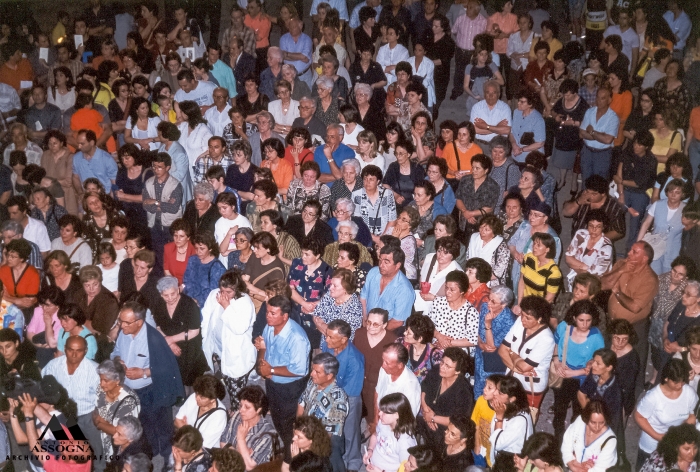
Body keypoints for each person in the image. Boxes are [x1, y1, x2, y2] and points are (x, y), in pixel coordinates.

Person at [112, 301, 185, 460]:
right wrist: (118, 360)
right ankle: (150, 452)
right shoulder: (123, 334)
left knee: (163, 426)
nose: (121, 325)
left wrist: (143, 372)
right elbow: (115, 351)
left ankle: (169, 458)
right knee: (143, 424)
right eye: (120, 321)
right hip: (131, 391)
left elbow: (167, 368)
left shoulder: (154, 339)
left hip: (152, 390)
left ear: (139, 322)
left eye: (126, 322)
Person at [254, 295, 311, 463]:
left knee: (289, 428)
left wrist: (270, 369)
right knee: (277, 421)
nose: (268, 316)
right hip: (273, 384)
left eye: (273, 313)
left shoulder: (297, 338)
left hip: (290, 389)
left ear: (284, 316)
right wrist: (263, 365)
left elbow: (299, 370)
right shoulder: (269, 327)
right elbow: (264, 347)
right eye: (267, 312)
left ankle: (292, 460)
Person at [41, 335, 104, 470]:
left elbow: (102, 398)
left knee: (94, 449)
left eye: (79, 350)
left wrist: (97, 418)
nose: (74, 354)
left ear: (86, 351)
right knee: (65, 450)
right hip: (63, 417)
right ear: (64, 349)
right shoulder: (53, 366)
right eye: (70, 349)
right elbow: (44, 387)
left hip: (87, 416)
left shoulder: (94, 371)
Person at [551, 300, 605, 439]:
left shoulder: (596, 337)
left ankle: (573, 438)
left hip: (582, 378)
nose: (585, 324)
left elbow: (597, 363)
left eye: (588, 320)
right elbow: (556, 344)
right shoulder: (564, 327)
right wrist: (556, 361)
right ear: (574, 318)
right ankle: (558, 438)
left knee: (578, 412)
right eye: (581, 320)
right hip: (563, 372)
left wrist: (574, 372)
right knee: (559, 409)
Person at [635, 358, 698, 467]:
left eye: (682, 381)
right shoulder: (653, 396)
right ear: (666, 378)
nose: (680, 386)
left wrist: (681, 433)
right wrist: (658, 436)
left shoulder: (689, 393)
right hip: (653, 445)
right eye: (676, 382)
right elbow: (639, 416)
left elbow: (693, 415)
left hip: (675, 445)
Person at [498, 295, 555, 411]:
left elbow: (525, 366)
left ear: (539, 319)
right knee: (507, 411)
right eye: (522, 315)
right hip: (511, 378)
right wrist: (516, 368)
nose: (522, 319)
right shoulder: (520, 321)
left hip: (531, 385)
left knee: (527, 415)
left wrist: (512, 354)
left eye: (528, 318)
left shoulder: (546, 339)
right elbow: (502, 350)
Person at [151, 276, 208, 387]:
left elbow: (194, 331)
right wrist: (170, 343)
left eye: (173, 293)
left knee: (191, 381)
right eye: (166, 295)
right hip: (169, 345)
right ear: (161, 294)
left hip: (189, 346)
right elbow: (158, 327)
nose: (170, 298)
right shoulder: (159, 305)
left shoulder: (189, 305)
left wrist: (171, 339)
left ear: (178, 290)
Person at [297, 353, 349, 472]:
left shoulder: (338, 399)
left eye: (317, 372)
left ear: (329, 375)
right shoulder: (313, 382)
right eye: (312, 370)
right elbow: (302, 402)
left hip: (326, 442)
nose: (311, 374)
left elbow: (328, 435)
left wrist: (308, 444)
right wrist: (298, 429)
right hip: (307, 434)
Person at [417, 347, 473, 451]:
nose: (442, 367)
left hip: (444, 433)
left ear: (458, 371)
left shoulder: (464, 391)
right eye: (442, 362)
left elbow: (460, 422)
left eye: (448, 366)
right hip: (425, 419)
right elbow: (424, 387)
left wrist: (433, 418)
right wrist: (425, 408)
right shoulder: (436, 371)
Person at [649, 257, 693, 383]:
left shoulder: (687, 290)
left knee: (665, 354)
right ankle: (653, 377)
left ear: (686, 277)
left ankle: (660, 379)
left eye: (680, 275)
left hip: (670, 325)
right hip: (656, 321)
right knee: (655, 352)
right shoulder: (661, 279)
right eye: (674, 271)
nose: (675, 276)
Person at [614, 130, 658, 249]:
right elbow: (620, 172)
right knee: (614, 213)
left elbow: (639, 183)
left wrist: (621, 182)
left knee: (635, 223)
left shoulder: (650, 160)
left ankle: (630, 251)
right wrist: (621, 193)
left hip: (640, 193)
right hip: (624, 189)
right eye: (635, 143)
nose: (636, 147)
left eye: (640, 145)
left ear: (646, 147)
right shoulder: (627, 153)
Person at [219, 385, 277, 469]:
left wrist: (241, 439)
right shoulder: (237, 416)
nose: (241, 410)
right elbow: (222, 442)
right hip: (228, 467)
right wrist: (242, 452)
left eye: (247, 407)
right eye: (240, 405)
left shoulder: (268, 433)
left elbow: (249, 467)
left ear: (258, 410)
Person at [93, 359, 141, 459]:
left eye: (106, 381)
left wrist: (99, 423)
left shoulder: (129, 401)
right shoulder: (101, 389)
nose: (101, 384)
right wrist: (103, 424)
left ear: (117, 381)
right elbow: (94, 411)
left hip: (115, 446)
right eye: (100, 379)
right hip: (98, 439)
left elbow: (120, 433)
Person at [360, 243, 415, 330]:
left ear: (397, 266)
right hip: (367, 323)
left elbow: (397, 321)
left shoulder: (404, 289)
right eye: (380, 260)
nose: (381, 265)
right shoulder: (373, 273)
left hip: (388, 329)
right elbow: (363, 297)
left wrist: (376, 331)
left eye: (386, 262)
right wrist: (365, 319)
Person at [474, 286, 517, 398]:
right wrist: (479, 343)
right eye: (489, 298)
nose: (488, 302)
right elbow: (476, 330)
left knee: (491, 393)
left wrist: (488, 324)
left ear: (503, 305)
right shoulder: (484, 307)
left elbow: (491, 346)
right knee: (478, 388)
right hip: (480, 355)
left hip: (494, 362)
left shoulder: (509, 321)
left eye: (493, 301)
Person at [637, 179, 686, 274]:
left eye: (677, 192)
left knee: (668, 278)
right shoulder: (657, 205)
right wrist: (638, 243)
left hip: (673, 252)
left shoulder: (685, 209)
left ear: (682, 194)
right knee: (653, 276)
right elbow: (646, 224)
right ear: (667, 192)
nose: (673, 195)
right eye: (671, 191)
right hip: (654, 248)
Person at [426, 270, 480, 354]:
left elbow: (473, 340)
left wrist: (448, 343)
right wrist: (439, 336)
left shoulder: (470, 312)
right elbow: (428, 324)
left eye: (452, 290)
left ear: (462, 291)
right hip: (435, 349)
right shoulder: (438, 302)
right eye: (446, 287)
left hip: (458, 354)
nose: (447, 292)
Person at [562, 174, 627, 243]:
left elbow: (620, 231)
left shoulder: (613, 207)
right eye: (587, 191)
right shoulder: (583, 195)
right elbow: (565, 213)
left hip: (598, 246)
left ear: (603, 194)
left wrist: (596, 240)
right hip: (577, 242)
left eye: (593, 194)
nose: (589, 196)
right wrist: (577, 202)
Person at [364, 392, 417, 472]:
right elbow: (375, 435)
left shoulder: (405, 442)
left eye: (384, 412)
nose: (379, 414)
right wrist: (370, 449)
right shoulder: (384, 422)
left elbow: (405, 470)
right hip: (374, 466)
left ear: (397, 415)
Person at [561, 400, 618, 472]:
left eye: (602, 422)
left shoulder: (610, 440)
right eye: (593, 422)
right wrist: (571, 463)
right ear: (587, 418)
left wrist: (580, 469)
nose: (597, 427)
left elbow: (601, 469)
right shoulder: (580, 422)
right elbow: (566, 444)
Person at [577, 88, 620, 182]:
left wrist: (592, 132)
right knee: (585, 181)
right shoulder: (589, 112)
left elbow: (608, 140)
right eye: (597, 97)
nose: (599, 101)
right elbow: (581, 134)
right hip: (587, 151)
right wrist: (600, 135)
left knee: (599, 183)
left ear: (609, 100)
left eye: (603, 98)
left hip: (602, 154)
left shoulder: (613, 118)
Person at [174, 374, 227, 449]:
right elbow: (177, 421)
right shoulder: (194, 397)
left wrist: (185, 428)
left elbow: (202, 445)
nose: (197, 398)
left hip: (204, 452)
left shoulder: (219, 416)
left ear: (213, 399)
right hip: (186, 443)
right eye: (197, 393)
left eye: (202, 397)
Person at [489, 375, 533, 463]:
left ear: (512, 399)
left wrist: (499, 419)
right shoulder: (503, 407)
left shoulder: (519, 420)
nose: (494, 393)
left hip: (511, 463)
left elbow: (497, 444)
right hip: (500, 457)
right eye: (496, 389)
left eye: (500, 393)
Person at [455, 154, 500, 240]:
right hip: (463, 222)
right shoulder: (465, 180)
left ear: (486, 170)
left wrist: (471, 214)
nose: (474, 171)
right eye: (473, 167)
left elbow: (489, 208)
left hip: (481, 224)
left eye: (477, 168)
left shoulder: (493, 186)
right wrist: (465, 212)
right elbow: (458, 198)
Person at [417, 236, 462, 312]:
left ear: (453, 255)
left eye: (446, 253)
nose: (441, 255)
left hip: (442, 311)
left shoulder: (457, 273)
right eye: (439, 251)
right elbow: (421, 277)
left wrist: (434, 298)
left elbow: (457, 301)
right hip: (421, 305)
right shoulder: (429, 258)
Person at [75, 265, 120, 340]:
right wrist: (87, 323)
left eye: (95, 284)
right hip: (76, 335)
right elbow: (69, 316)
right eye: (87, 285)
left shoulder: (109, 301)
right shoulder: (79, 294)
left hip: (98, 341)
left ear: (100, 282)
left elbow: (98, 330)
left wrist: (77, 320)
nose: (91, 289)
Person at [467, 215, 511, 287]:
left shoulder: (501, 246)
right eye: (481, 227)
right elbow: (468, 258)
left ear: (494, 233)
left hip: (491, 283)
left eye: (487, 230)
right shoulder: (474, 237)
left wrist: (478, 280)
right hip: (472, 280)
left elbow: (498, 273)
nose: (482, 231)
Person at [214, 192, 253, 268]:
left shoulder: (244, 222)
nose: (222, 211)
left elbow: (249, 247)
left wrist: (228, 252)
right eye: (219, 208)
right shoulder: (219, 223)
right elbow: (222, 250)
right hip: (224, 263)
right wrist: (229, 233)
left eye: (224, 208)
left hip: (240, 263)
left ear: (233, 207)